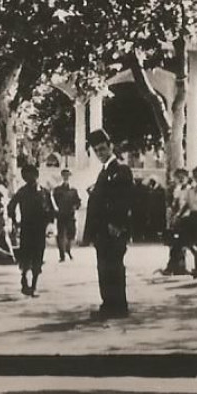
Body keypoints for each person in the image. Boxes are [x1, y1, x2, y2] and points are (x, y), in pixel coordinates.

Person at [83, 129, 134, 318]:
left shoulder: (121, 169)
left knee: (114, 268)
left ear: (111, 146)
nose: (100, 154)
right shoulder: (104, 172)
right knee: (104, 268)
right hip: (102, 231)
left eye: (103, 149)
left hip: (113, 230)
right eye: (97, 151)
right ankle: (109, 305)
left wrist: (118, 224)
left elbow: (125, 199)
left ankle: (118, 306)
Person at [8, 163, 55, 297]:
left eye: (31, 175)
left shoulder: (44, 192)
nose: (29, 178)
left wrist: (50, 224)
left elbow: (52, 209)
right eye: (26, 176)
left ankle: (33, 286)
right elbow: (11, 206)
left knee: (38, 257)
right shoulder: (22, 191)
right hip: (27, 228)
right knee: (25, 257)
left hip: (39, 229)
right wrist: (14, 221)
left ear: (36, 175)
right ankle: (24, 280)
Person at [52, 169, 81, 262]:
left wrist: (75, 206)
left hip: (70, 216)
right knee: (60, 235)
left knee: (71, 234)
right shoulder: (57, 190)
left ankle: (68, 249)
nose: (66, 178)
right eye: (64, 176)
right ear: (62, 177)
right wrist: (55, 211)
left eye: (67, 176)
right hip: (61, 215)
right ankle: (62, 255)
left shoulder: (73, 191)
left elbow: (78, 202)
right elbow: (53, 202)